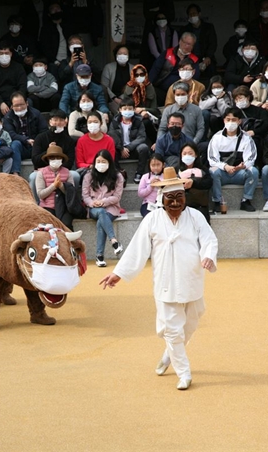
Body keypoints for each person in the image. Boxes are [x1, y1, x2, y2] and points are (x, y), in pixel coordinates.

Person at [99, 166, 218, 391]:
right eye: (170, 198)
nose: (175, 203)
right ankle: (184, 373)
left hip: (192, 280)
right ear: (162, 199)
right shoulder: (152, 220)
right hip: (165, 283)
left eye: (179, 197)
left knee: (190, 325)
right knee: (173, 330)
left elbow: (209, 240)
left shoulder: (196, 217)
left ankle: (169, 355)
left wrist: (208, 256)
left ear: (185, 197)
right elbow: (137, 249)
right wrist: (119, 273)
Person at [207, 108, 259, 212]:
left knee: (254, 171)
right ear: (224, 121)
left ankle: (246, 200)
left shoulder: (246, 138)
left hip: (239, 173)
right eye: (228, 119)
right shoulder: (216, 138)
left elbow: (251, 158)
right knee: (212, 171)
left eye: (234, 120)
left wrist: (242, 166)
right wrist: (225, 166)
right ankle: (217, 202)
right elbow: (212, 159)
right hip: (222, 174)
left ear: (239, 121)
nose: (231, 122)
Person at [82, 150, 124, 267]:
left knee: (101, 221)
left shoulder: (118, 176)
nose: (100, 164)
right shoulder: (88, 176)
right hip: (94, 207)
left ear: (109, 162)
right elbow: (85, 196)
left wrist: (103, 202)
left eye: (103, 161)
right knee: (100, 212)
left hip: (111, 207)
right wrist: (92, 203)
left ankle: (99, 256)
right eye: (98, 161)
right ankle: (114, 242)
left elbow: (117, 197)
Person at [2, 91, 48, 176]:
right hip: (21, 146)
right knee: (15, 144)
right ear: (11, 107)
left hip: (35, 145)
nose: (19, 108)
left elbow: (44, 130)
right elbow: (10, 134)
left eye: (21, 104)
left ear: (27, 103)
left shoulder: (36, 114)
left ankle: (41, 171)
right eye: (16, 105)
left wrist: (36, 141)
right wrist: (26, 140)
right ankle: (15, 173)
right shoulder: (8, 117)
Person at [30, 108, 78, 189]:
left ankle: (71, 200)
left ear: (65, 122)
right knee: (33, 176)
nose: (58, 123)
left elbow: (69, 162)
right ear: (50, 122)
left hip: (62, 170)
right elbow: (35, 160)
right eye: (55, 120)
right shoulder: (40, 138)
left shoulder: (69, 140)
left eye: (61, 120)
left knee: (75, 175)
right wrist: (47, 152)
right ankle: (36, 201)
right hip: (43, 171)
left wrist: (57, 170)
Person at [149, 32, 199, 100]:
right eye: (185, 43)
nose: (186, 46)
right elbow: (155, 68)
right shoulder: (167, 53)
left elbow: (195, 77)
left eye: (190, 44)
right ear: (180, 41)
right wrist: (149, 83)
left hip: (182, 92)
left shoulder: (194, 59)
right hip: (162, 89)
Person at [35, 144, 75, 230]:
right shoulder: (41, 173)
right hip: (47, 207)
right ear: (48, 159)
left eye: (58, 158)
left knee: (67, 225)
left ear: (62, 159)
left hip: (64, 206)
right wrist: (53, 186)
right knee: (50, 227)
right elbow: (40, 194)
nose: (55, 160)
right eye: (52, 158)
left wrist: (61, 186)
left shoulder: (67, 172)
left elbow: (72, 193)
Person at [108, 98, 149, 176]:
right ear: (120, 110)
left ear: (134, 109)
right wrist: (121, 148)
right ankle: (118, 171)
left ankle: (139, 173)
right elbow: (112, 136)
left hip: (133, 148)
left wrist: (129, 147)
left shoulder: (138, 121)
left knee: (144, 147)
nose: (127, 111)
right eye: (125, 109)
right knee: (111, 149)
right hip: (120, 149)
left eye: (130, 109)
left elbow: (141, 137)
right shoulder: (115, 122)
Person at [0, 42, 28, 116]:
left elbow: (22, 86)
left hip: (16, 98)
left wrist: (16, 102)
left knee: (29, 102)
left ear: (11, 54)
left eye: (6, 53)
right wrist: (1, 103)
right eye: (1, 53)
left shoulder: (19, 68)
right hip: (0, 100)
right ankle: (6, 119)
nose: (4, 55)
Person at [121, 65, 160, 144]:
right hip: (131, 116)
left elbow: (155, 110)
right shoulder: (128, 88)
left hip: (148, 118)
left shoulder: (150, 87)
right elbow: (124, 107)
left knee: (146, 123)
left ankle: (154, 145)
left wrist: (145, 110)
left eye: (142, 74)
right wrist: (137, 113)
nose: (139, 77)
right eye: (136, 75)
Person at [37, 1, 72, 82]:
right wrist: (54, 60)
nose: (56, 11)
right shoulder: (46, 29)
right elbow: (44, 47)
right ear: (49, 14)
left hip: (68, 60)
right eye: (53, 9)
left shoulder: (68, 26)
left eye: (58, 9)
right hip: (53, 61)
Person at [181, 3, 218, 80]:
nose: (192, 16)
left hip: (206, 58)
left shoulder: (208, 27)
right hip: (191, 58)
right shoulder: (185, 29)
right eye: (190, 14)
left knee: (211, 74)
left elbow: (213, 43)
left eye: (194, 13)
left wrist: (208, 57)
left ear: (199, 14)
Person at [178, 142, 212, 223]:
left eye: (190, 153)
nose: (187, 156)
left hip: (199, 204)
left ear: (196, 155)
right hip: (181, 205)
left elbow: (209, 183)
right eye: (184, 153)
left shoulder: (203, 169)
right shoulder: (176, 169)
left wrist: (193, 182)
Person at [101, 45, 133, 115]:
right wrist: (114, 98)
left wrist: (122, 98)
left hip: (127, 99)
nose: (122, 56)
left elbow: (133, 85)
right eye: (120, 53)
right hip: (111, 99)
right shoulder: (108, 67)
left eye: (125, 54)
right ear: (116, 55)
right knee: (119, 114)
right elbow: (104, 86)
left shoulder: (133, 69)